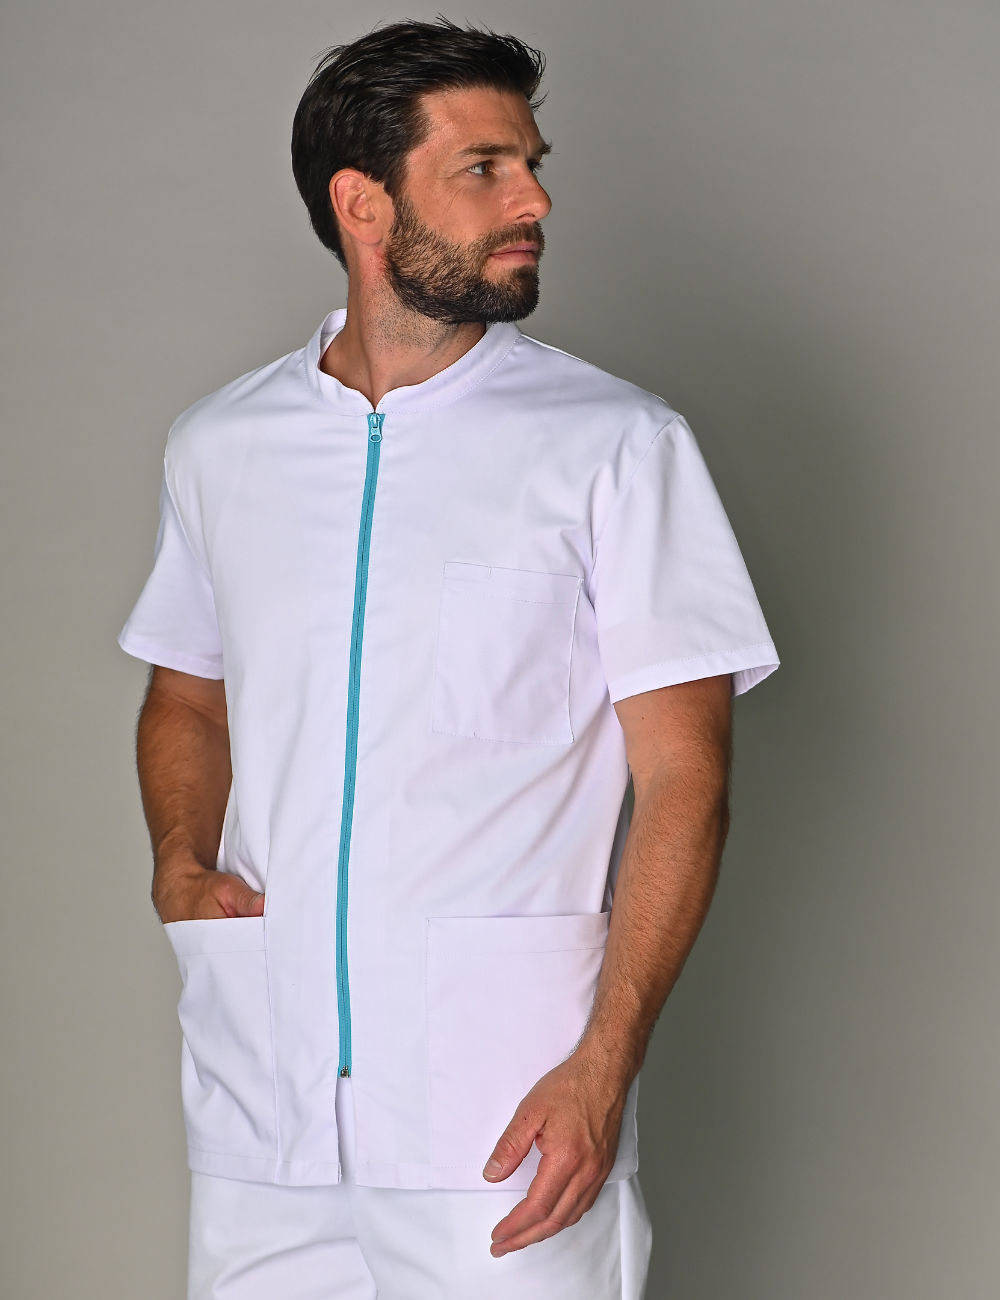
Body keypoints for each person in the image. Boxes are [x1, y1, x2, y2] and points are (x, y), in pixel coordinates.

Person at [120, 18, 778, 1300]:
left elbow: (684, 777)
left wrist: (605, 1060)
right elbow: (186, 694)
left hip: (508, 1107)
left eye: (531, 164)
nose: (534, 201)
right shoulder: (220, 445)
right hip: (263, 1107)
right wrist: (179, 861)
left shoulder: (617, 444)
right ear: (362, 204)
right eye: (484, 168)